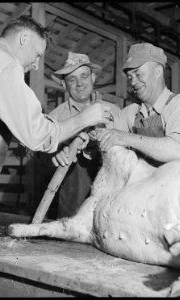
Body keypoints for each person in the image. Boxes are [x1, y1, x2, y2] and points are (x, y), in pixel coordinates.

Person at [0, 16, 112, 297]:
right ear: (23, 39)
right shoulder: (3, 63)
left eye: (84, 76)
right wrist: (83, 120)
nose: (36, 64)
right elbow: (36, 135)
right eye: (37, 54)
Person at [97, 42, 180, 166]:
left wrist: (125, 138)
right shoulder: (131, 113)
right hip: (151, 184)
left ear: (157, 72)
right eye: (130, 77)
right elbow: (108, 133)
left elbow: (179, 151)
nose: (133, 82)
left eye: (138, 74)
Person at [48, 51, 128, 218]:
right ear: (64, 85)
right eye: (72, 79)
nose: (80, 84)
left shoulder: (113, 111)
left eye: (84, 76)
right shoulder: (55, 118)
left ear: (93, 78)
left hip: (111, 195)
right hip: (74, 197)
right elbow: (43, 159)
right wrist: (58, 154)